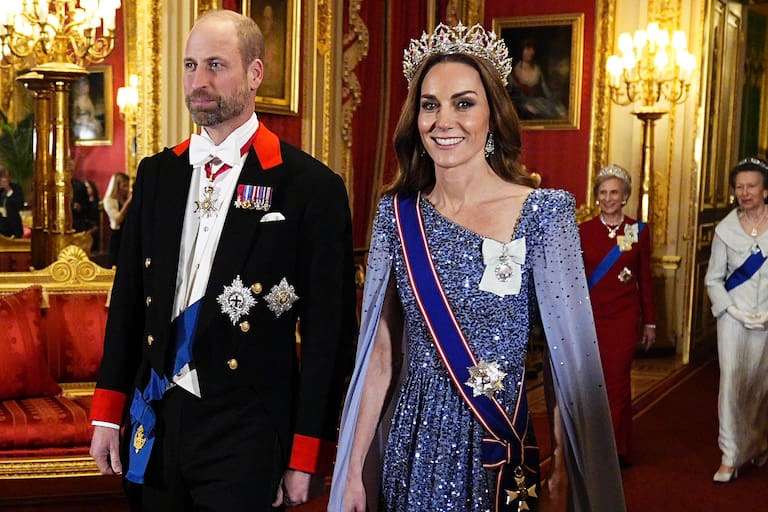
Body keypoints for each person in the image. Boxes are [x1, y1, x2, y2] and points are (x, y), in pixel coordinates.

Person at [329, 22, 624, 512]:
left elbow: (564, 357)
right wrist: (356, 468)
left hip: (499, 440)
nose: (444, 120)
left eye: (463, 103)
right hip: (414, 441)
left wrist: (564, 465)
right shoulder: (395, 214)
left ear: (493, 114)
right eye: (430, 104)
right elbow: (378, 355)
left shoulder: (545, 213)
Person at [88, 9, 356, 511]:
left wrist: (306, 454)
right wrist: (107, 412)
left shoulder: (309, 187)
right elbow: (127, 301)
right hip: (157, 416)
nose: (199, 82)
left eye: (216, 65)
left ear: (255, 75)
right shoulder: (157, 175)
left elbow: (329, 336)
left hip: (246, 425)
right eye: (190, 66)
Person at [578, 164, 655, 468]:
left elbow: (645, 278)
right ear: (596, 196)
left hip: (623, 317)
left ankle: (616, 447)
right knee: (590, 381)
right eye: (603, 192)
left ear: (625, 196)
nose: (608, 198)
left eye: (615, 192)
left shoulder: (638, 231)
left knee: (618, 381)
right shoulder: (582, 230)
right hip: (591, 316)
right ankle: (591, 445)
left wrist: (649, 321)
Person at [705, 157, 768, 483]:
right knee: (731, 383)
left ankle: (757, 442)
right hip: (733, 318)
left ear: (765, 190)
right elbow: (714, 279)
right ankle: (730, 455)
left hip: (767, 321)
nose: (745, 192)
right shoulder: (725, 230)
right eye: (739, 187)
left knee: (759, 386)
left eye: (751, 186)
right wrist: (732, 310)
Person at [507, 39, 566, 120]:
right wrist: (523, 105)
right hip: (521, 105)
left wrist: (554, 101)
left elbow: (546, 90)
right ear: (521, 51)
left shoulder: (537, 70)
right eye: (528, 49)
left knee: (558, 110)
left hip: (539, 103)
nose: (531, 52)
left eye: (533, 49)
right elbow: (510, 95)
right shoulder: (514, 73)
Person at [103, 172, 131, 267]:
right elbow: (117, 219)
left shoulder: (125, 198)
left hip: (128, 234)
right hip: (118, 235)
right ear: (117, 186)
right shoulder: (109, 200)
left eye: (128, 185)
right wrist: (128, 203)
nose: (127, 189)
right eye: (124, 186)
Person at [71, 76, 104, 141]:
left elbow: (92, 111)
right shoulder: (77, 100)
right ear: (80, 88)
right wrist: (78, 120)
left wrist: (90, 118)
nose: (86, 88)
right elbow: (74, 115)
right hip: (80, 123)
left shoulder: (88, 99)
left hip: (89, 120)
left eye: (87, 86)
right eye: (84, 86)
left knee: (96, 127)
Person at [0, 164, 24, 238]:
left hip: (14, 228)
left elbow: (19, 205)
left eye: (2, 178)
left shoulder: (16, 188)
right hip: (2, 228)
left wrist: (8, 189)